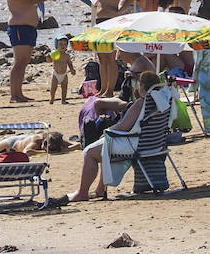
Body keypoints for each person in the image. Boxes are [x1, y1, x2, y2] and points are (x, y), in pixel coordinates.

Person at [66, 71, 170, 202]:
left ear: (142, 86)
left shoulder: (141, 103)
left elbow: (123, 127)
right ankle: (99, 189)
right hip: (155, 145)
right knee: (104, 147)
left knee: (90, 152)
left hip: (135, 144)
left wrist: (107, 132)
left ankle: (82, 192)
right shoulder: (163, 102)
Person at [5, 0, 61, 103]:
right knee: (19, 62)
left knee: (24, 62)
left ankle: (19, 93)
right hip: (19, 27)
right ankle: (14, 95)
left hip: (29, 28)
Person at [92, 0, 135, 96]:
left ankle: (110, 90)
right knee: (101, 56)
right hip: (99, 20)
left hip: (110, 19)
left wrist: (120, 11)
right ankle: (103, 89)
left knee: (110, 56)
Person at [51, 36, 75, 104]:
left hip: (64, 74)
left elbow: (69, 63)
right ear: (56, 45)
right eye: (60, 44)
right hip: (56, 74)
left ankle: (63, 100)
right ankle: (52, 98)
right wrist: (48, 57)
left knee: (64, 87)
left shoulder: (66, 55)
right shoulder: (55, 54)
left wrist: (72, 69)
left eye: (65, 44)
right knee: (53, 88)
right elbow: (49, 60)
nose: (63, 46)